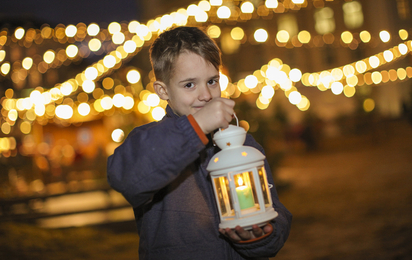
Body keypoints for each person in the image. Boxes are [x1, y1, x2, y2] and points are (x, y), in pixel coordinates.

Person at [107, 26, 292, 260]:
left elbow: (273, 208)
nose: (206, 95)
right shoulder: (149, 139)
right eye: (189, 85)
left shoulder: (244, 144)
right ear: (163, 91)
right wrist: (196, 127)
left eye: (212, 81)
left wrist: (261, 236)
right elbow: (127, 177)